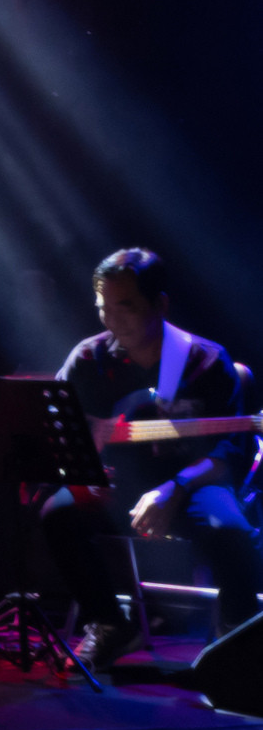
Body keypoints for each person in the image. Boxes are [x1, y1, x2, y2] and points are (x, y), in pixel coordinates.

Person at [42, 247, 263, 667]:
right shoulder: (88, 358)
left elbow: (229, 452)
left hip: (194, 483)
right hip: (117, 482)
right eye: (103, 308)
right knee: (57, 514)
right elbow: (55, 421)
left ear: (160, 304)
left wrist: (174, 488)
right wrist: (79, 449)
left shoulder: (206, 361)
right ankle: (111, 625)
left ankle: (236, 646)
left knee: (231, 531)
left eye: (125, 307)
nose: (112, 320)